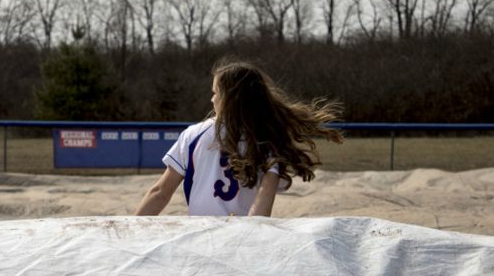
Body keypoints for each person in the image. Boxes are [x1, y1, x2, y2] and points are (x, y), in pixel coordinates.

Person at [136, 59, 343, 217]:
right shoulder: (268, 140)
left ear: (229, 98)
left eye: (215, 92)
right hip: (240, 239)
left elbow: (160, 192)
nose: (211, 99)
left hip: (197, 237)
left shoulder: (193, 135)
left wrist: (128, 230)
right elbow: (262, 205)